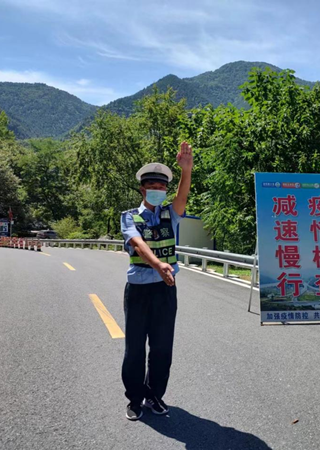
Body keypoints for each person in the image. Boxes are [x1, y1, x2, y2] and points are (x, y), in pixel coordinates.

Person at [120, 141, 193, 421]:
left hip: (165, 289)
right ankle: (134, 399)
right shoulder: (129, 217)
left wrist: (186, 170)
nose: (158, 190)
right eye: (152, 185)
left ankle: (154, 395)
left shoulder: (170, 214)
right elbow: (138, 244)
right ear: (142, 189)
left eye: (162, 187)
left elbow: (182, 196)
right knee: (135, 348)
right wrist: (159, 264)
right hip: (138, 291)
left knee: (162, 347)